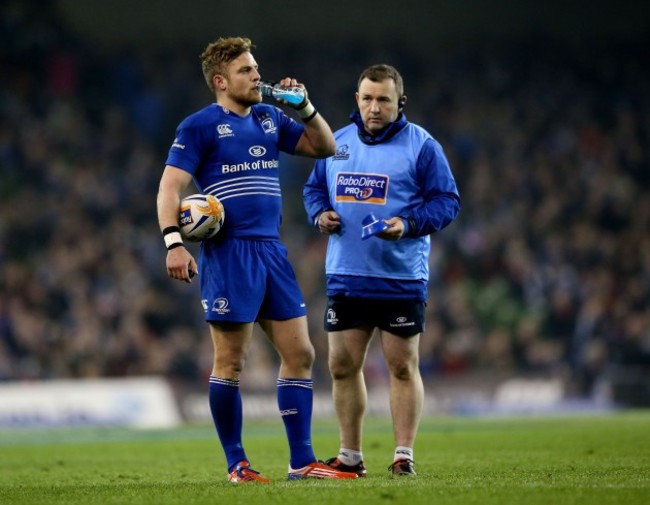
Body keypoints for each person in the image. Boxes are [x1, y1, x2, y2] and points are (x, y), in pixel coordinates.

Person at [156, 37, 357, 483]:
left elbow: (323, 146)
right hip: (230, 252)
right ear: (221, 81)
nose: (257, 76)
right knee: (231, 361)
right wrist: (174, 242)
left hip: (271, 249)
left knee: (301, 353)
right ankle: (236, 464)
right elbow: (170, 188)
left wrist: (305, 107)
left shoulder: (269, 117)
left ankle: (302, 462)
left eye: (256, 67)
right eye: (247, 71)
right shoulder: (199, 126)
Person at [303, 64, 460, 477]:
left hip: (400, 275)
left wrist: (407, 225)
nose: (374, 108)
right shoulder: (335, 142)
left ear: (399, 102)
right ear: (357, 99)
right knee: (341, 365)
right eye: (367, 98)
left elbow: (446, 202)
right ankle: (350, 457)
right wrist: (319, 214)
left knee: (402, 365)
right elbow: (313, 188)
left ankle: (403, 455)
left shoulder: (423, 146)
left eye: (383, 100)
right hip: (347, 273)